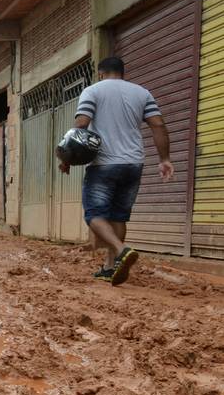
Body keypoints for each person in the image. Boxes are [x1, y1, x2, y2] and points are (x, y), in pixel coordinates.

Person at [63, 56, 172, 286]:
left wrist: (67, 157)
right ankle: (110, 267)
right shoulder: (142, 93)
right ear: (122, 72)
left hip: (104, 164)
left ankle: (122, 250)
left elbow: (81, 124)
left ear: (100, 72)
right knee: (118, 216)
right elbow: (158, 125)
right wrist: (164, 159)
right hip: (134, 164)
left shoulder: (92, 91)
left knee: (94, 214)